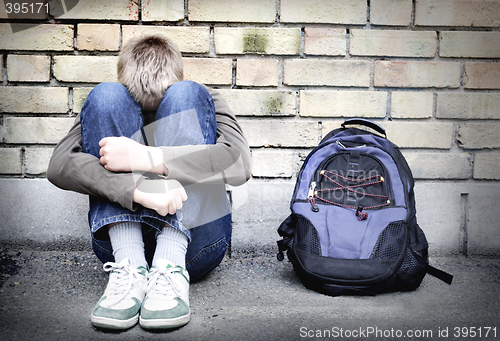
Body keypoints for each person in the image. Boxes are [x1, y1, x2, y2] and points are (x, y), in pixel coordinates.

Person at [47, 35, 251, 331]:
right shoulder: (117, 100)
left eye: (158, 106)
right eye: (143, 107)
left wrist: (146, 157)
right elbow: (59, 165)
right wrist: (138, 189)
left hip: (196, 245)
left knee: (189, 95)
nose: (150, 113)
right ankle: (130, 269)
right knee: (105, 96)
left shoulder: (199, 98)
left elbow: (240, 163)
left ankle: (170, 264)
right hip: (121, 247)